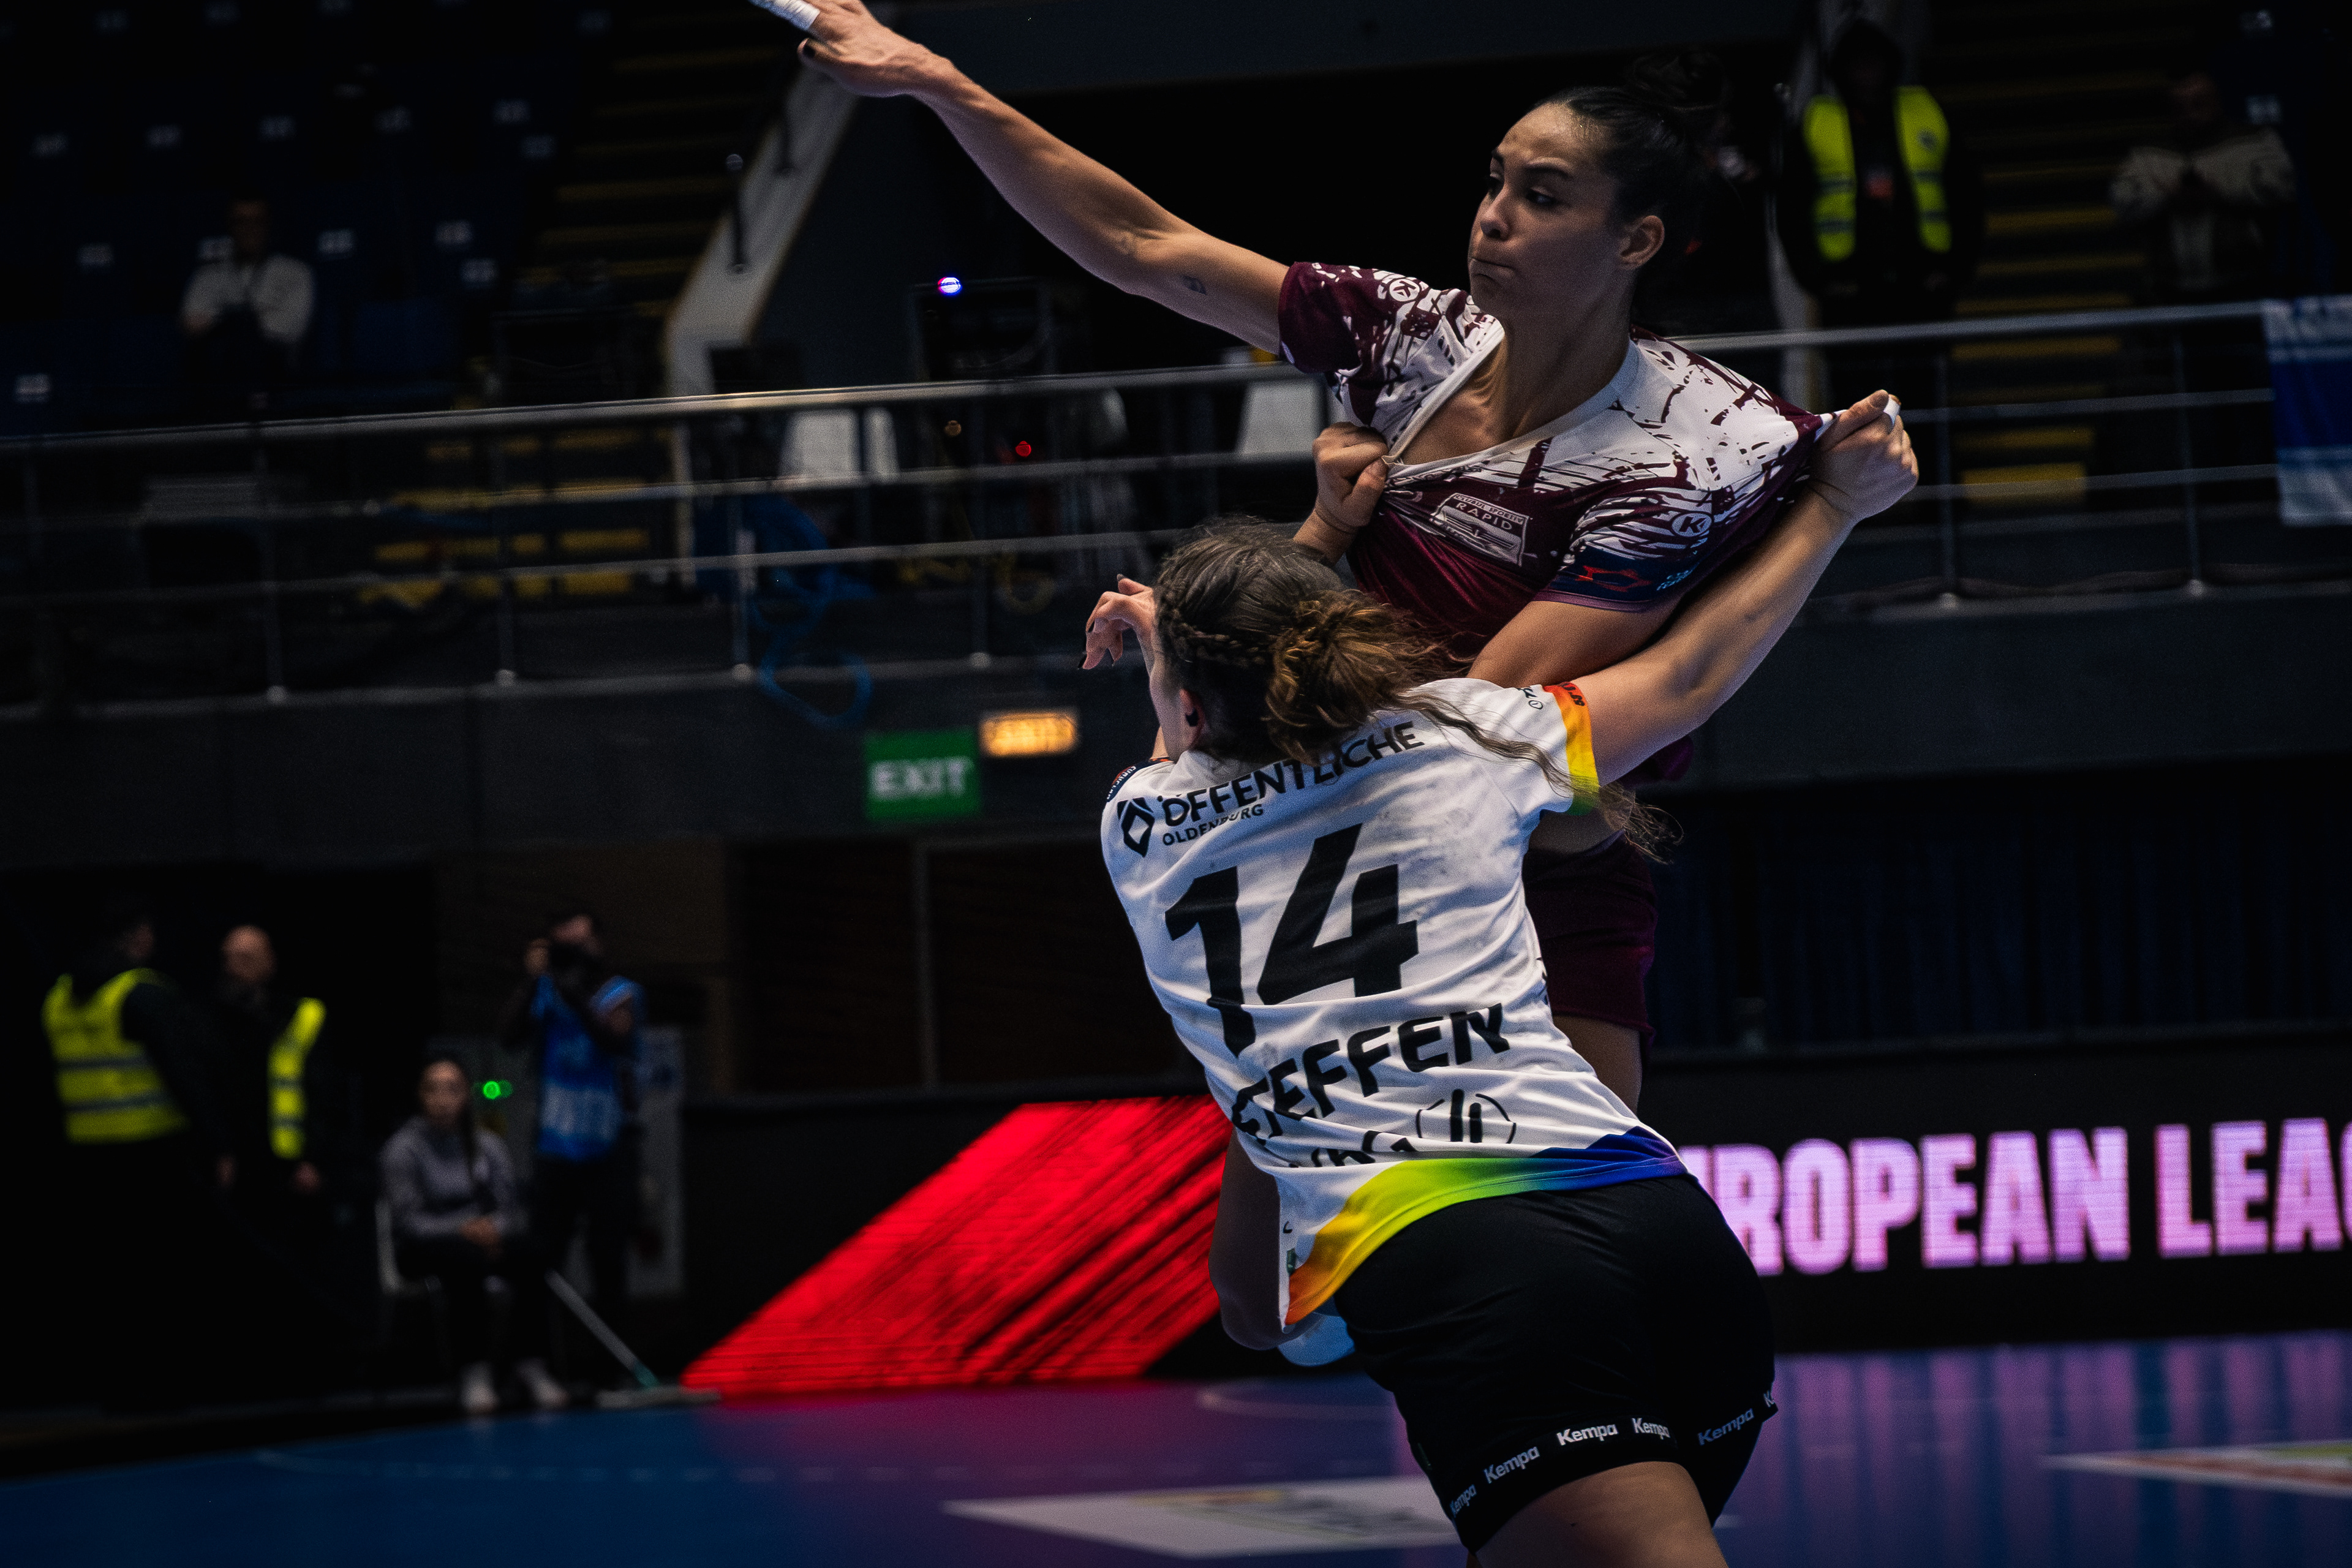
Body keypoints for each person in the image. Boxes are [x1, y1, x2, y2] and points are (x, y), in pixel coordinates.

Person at [787, 3, 1906, 1108]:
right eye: (1495, 182)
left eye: (1543, 196)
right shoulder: (1412, 337)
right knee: (1275, 1220)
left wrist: (1251, 606)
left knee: (1567, 1182)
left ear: (1636, 241)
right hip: (1332, 828)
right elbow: (1144, 248)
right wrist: (939, 83)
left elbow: (1478, 723)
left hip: (1530, 868)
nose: (1493, 219)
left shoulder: (1690, 449)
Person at [1086, 393, 1912, 1567]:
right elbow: (1685, 678)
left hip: (1470, 1263)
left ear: (1184, 698)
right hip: (1659, 1225)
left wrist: (1185, 622)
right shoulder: (1465, 733)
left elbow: (1188, 737)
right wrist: (1833, 506)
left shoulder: (1139, 825)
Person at [45, 896, 235, 1409]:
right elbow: (185, 1073)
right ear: (138, 936)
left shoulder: (59, 997)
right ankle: (166, 1387)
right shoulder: (141, 994)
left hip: (89, 1155)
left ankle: (117, 1387)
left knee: (111, 1274)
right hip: (152, 1152)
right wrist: (218, 1142)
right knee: (162, 1273)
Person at [380, 1055, 567, 1415]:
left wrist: (493, 1230)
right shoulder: (402, 1149)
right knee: (466, 1260)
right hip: (424, 1246)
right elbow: (407, 1222)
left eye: (452, 1089)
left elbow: (508, 1207)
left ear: (466, 1095)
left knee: (536, 1251)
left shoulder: (488, 1146)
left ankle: (531, 1364)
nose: (442, 1100)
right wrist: (462, 1230)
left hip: (481, 1240)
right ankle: (474, 1371)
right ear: (420, 1095)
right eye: (433, 1089)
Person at [496, 909, 643, 1355]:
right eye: (563, 946)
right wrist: (532, 981)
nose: (573, 955)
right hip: (556, 1145)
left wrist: (575, 991)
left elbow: (614, 1040)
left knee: (607, 1255)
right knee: (543, 1253)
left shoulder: (620, 992)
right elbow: (508, 1037)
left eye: (580, 944)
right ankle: (533, 1362)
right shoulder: (544, 991)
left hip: (608, 1145)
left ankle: (610, 1366)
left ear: (599, 944)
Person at [1777, 20, 1985, 334]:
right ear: (1841, 71)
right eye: (1857, 64)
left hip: (1924, 285)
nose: (1866, 74)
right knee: (1858, 366)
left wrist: (1954, 271)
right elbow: (1791, 210)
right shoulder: (1817, 124)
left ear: (1891, 66)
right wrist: (1818, 280)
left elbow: (1966, 196)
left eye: (1873, 63)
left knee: (1921, 363)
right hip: (1846, 291)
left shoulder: (1925, 113)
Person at [2111, 66, 2296, 304]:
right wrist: (2169, 198)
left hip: (2242, 284)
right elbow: (2123, 201)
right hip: (2170, 287)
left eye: (2198, 104)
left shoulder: (2255, 142)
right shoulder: (2146, 155)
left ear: (2215, 101)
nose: (2190, 114)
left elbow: (2282, 189)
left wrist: (2219, 194)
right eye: (2180, 107)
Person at [180, 194, 314, 394]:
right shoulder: (208, 275)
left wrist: (228, 321)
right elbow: (191, 323)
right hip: (218, 381)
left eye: (257, 222)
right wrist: (256, 315)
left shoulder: (295, 272)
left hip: (276, 381)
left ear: (269, 225)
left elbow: (290, 328)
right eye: (241, 222)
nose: (249, 229)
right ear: (229, 226)